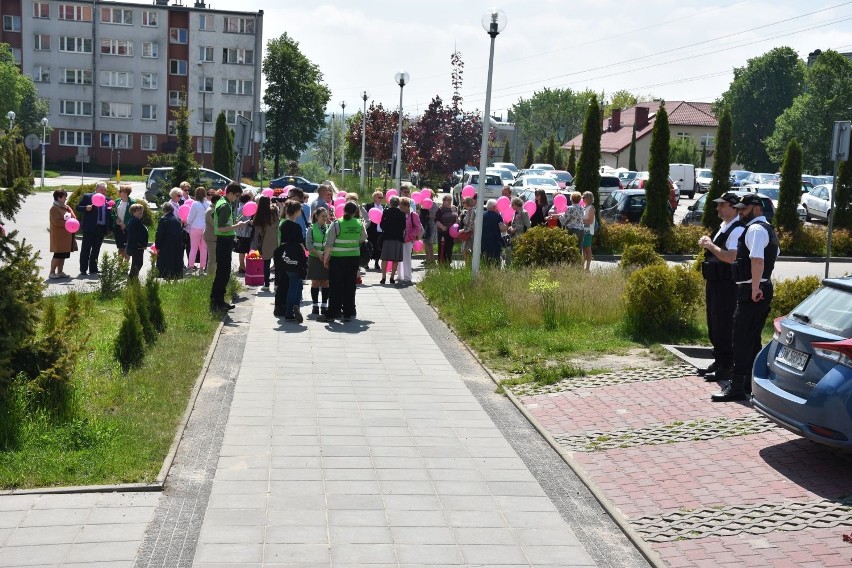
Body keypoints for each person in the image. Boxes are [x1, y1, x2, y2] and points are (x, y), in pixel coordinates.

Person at [711, 193, 779, 402]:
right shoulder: (766, 229)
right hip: (757, 288)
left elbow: (757, 260)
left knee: (740, 339)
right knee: (751, 338)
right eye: (738, 209)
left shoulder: (757, 229)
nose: (740, 212)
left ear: (757, 208)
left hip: (753, 290)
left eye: (744, 209)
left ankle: (738, 386)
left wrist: (755, 288)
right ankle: (751, 383)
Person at [697, 192, 745, 385]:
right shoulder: (725, 226)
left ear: (734, 208)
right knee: (714, 321)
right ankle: (719, 361)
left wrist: (710, 245)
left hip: (727, 285)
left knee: (724, 323)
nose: (718, 208)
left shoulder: (738, 229)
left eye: (722, 205)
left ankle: (726, 366)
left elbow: (731, 257)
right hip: (715, 282)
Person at [318, 201, 367, 323]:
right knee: (350, 285)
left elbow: (329, 244)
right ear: (355, 211)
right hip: (353, 258)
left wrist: (326, 259)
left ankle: (333, 313)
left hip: (338, 259)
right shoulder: (359, 223)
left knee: (335, 286)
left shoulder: (337, 223)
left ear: (344, 210)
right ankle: (348, 312)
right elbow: (363, 237)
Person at [210, 182, 247, 311]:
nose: (237, 198)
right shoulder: (225, 205)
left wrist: (233, 223)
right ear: (230, 193)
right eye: (236, 195)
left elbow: (214, 216)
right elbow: (221, 227)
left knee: (222, 272)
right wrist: (237, 226)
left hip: (223, 241)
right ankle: (217, 302)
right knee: (223, 273)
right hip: (224, 241)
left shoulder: (221, 201)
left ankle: (218, 301)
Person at [273, 200, 308, 322]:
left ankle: (291, 308)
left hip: (285, 257)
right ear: (297, 211)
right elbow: (300, 243)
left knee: (293, 283)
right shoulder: (297, 227)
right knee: (296, 284)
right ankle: (292, 308)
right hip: (296, 257)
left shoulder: (283, 225)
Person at [76, 181, 112, 276]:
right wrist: (85, 208)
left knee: (96, 249)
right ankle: (83, 269)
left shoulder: (107, 200)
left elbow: (109, 214)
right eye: (101, 189)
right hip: (89, 228)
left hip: (101, 228)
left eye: (104, 190)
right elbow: (78, 207)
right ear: (96, 189)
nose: (103, 192)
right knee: (86, 249)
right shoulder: (88, 197)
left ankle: (93, 268)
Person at [251, 195, 279, 291]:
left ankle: (266, 285)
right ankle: (277, 284)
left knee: (266, 264)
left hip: (264, 242)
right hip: (276, 240)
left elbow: (257, 231)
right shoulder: (274, 212)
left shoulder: (259, 214)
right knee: (277, 264)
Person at [306, 207, 330, 314]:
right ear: (316, 216)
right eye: (322, 216)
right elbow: (309, 245)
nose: (325, 218)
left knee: (326, 282)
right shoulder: (311, 229)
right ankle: (315, 305)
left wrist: (326, 255)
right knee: (315, 283)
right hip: (315, 258)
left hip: (326, 258)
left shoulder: (330, 228)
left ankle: (324, 305)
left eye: (326, 216)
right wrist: (319, 254)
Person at [48, 190, 76, 279]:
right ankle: (52, 272)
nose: (65, 198)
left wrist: (70, 211)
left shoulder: (66, 207)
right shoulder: (54, 209)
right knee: (58, 255)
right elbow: (56, 222)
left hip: (67, 236)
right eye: (64, 197)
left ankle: (60, 272)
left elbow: (74, 218)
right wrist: (67, 223)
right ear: (58, 198)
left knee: (63, 255)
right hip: (59, 236)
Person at [379, 196, 405, 284]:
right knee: (395, 259)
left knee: (385, 258)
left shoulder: (386, 212)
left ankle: (383, 277)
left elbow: (382, 224)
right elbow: (403, 227)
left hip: (387, 237)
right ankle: (392, 277)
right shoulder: (401, 213)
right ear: (398, 204)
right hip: (397, 238)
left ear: (390, 203)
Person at [155, 202, 184, 279]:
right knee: (174, 261)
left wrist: (157, 245)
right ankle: (174, 277)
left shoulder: (164, 219)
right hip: (176, 244)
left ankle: (167, 277)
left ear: (164, 210)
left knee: (166, 263)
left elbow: (159, 234)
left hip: (166, 245)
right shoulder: (177, 220)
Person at [399, 196, 422, 285]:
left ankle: (407, 277)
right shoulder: (401, 214)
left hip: (408, 240)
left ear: (407, 206)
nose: (400, 208)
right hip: (400, 238)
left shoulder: (413, 215)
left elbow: (417, 227)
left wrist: (409, 236)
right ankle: (400, 275)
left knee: (407, 258)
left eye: (401, 206)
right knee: (400, 257)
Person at [186, 187, 210, 273]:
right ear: (205, 194)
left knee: (193, 249)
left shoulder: (194, 204)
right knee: (204, 249)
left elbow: (190, 218)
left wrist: (186, 222)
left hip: (195, 228)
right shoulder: (209, 204)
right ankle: (202, 268)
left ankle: (191, 267)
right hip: (205, 229)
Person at [504, 196, 531, 266]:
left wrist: (516, 228)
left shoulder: (524, 212)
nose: (511, 206)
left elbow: (527, 225)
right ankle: (510, 265)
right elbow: (514, 224)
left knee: (518, 252)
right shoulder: (515, 213)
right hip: (513, 236)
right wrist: (510, 227)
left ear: (516, 204)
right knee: (510, 251)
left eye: (512, 204)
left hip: (520, 236)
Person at [125, 203, 148, 279]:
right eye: (138, 211)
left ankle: (133, 280)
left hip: (137, 246)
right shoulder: (135, 221)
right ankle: (132, 280)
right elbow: (136, 236)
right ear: (133, 212)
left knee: (137, 264)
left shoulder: (135, 220)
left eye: (142, 211)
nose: (141, 212)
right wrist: (143, 244)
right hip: (137, 247)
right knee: (137, 264)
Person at [111, 185, 135, 260]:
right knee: (120, 247)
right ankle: (120, 267)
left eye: (121, 191)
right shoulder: (117, 201)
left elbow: (134, 215)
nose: (119, 192)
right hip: (118, 228)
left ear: (126, 193)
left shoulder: (132, 202)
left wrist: (125, 224)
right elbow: (112, 212)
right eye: (120, 191)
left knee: (127, 248)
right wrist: (116, 219)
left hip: (128, 228)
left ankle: (126, 267)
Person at [480, 199, 507, 264]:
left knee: (485, 260)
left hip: (484, 240)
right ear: (494, 207)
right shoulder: (497, 216)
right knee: (495, 261)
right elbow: (502, 229)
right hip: (495, 241)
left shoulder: (482, 215)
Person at [234, 191, 255, 273]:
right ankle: (242, 266)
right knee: (243, 250)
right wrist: (250, 221)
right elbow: (246, 219)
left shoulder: (239, 207)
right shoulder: (245, 207)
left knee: (242, 250)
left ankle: (242, 266)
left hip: (240, 232)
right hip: (245, 232)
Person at [434, 195, 458, 266]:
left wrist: (456, 223)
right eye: (447, 200)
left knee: (449, 247)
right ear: (443, 201)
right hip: (443, 231)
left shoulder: (453, 208)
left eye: (450, 200)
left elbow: (456, 218)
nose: (449, 202)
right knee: (442, 248)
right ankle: (441, 262)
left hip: (451, 232)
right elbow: (436, 220)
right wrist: (442, 227)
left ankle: (448, 262)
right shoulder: (440, 209)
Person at [365, 191, 384, 270]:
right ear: (374, 198)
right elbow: (366, 217)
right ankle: (366, 262)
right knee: (370, 246)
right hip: (371, 229)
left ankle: (377, 262)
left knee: (378, 247)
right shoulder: (369, 206)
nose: (380, 199)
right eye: (379, 197)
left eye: (381, 197)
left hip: (380, 229)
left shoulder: (384, 207)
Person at [203, 193, 221, 276]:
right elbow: (214, 224)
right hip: (210, 237)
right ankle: (210, 276)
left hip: (214, 237)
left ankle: (214, 274)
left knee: (215, 257)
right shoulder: (210, 210)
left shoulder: (214, 209)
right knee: (212, 258)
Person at [419, 189, 437, 265]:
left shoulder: (433, 204)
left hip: (431, 225)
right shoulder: (424, 204)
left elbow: (433, 215)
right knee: (425, 242)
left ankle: (432, 260)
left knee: (429, 243)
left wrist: (426, 214)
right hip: (425, 224)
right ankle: (427, 259)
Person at [581, 191, 596, 271]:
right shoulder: (585, 207)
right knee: (582, 248)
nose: (582, 199)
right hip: (583, 230)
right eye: (582, 197)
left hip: (588, 230)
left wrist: (581, 221)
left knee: (587, 248)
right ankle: (582, 265)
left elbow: (590, 221)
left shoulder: (591, 208)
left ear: (588, 198)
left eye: (584, 197)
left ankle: (588, 267)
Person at [460, 196, 477, 262]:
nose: (462, 204)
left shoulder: (472, 211)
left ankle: (469, 266)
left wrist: (464, 231)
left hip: (469, 234)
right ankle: (467, 265)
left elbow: (471, 224)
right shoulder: (468, 211)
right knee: (464, 250)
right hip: (467, 233)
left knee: (467, 251)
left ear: (467, 203)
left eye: (463, 202)